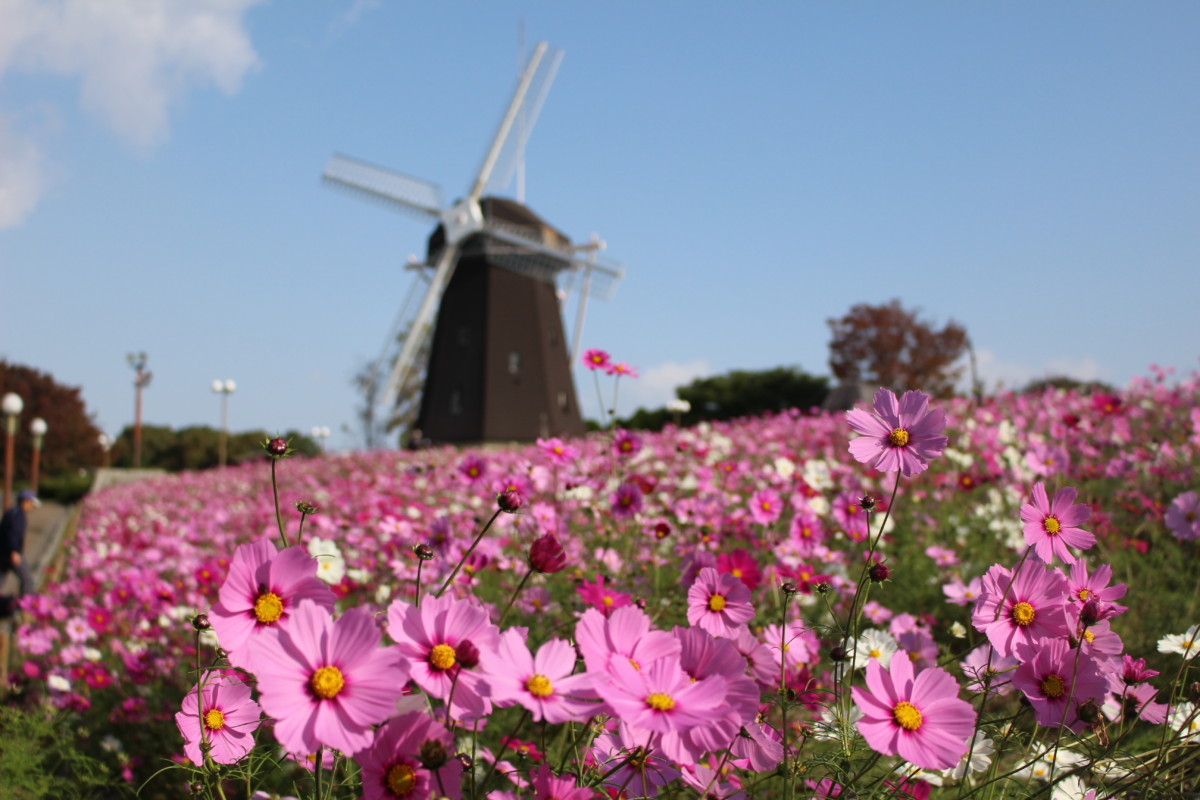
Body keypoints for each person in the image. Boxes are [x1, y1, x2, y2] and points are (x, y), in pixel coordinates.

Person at [0, 488, 37, 599]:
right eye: (31, 502)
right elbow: (13, 534)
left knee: (1, 576)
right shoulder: (19, 516)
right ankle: (27, 604)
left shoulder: (11, 512)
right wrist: (14, 551)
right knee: (27, 578)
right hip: (11, 552)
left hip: (2, 552)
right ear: (25, 501)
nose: (32, 505)